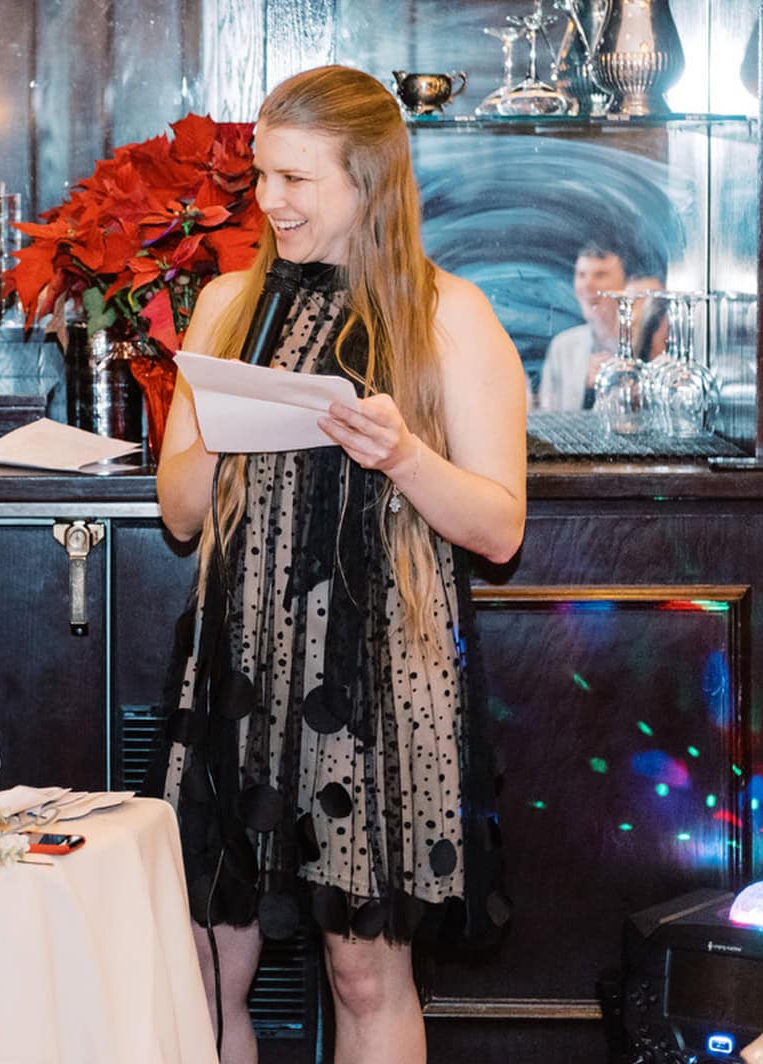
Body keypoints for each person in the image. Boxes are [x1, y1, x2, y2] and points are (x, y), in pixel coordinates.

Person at [150, 66, 525, 1064]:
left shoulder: (448, 315)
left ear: (367, 179)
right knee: (196, 959)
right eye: (260, 175)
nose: (266, 201)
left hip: (372, 682)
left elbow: (496, 529)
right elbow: (178, 514)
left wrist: (401, 454)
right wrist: (225, 426)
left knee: (362, 971)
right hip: (237, 664)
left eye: (293, 179)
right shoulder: (228, 304)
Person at [537, 242, 666, 411]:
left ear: (626, 285)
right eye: (581, 275)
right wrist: (581, 382)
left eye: (600, 275)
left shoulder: (653, 340)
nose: (587, 285)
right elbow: (547, 414)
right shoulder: (563, 346)